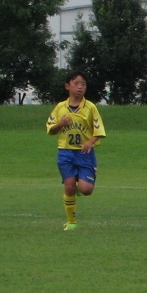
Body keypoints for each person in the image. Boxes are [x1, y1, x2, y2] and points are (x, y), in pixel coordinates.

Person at [46, 70, 106, 230]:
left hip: (85, 154)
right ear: (67, 86)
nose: (80, 87)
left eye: (83, 84)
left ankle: (81, 181)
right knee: (69, 186)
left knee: (86, 190)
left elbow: (99, 131)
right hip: (65, 152)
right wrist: (61, 124)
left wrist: (90, 142)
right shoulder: (60, 107)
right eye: (76, 83)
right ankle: (71, 222)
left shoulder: (90, 107)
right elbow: (51, 130)